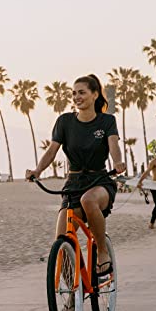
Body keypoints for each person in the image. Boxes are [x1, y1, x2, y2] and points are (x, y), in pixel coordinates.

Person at [26, 74, 127, 284]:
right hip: (73, 184)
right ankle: (71, 296)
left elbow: (113, 146)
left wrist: (118, 163)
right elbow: (52, 151)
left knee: (88, 201)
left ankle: (101, 252)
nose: (77, 97)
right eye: (74, 93)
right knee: (61, 243)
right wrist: (37, 170)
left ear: (95, 95)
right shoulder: (65, 121)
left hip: (99, 180)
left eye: (82, 92)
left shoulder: (107, 121)